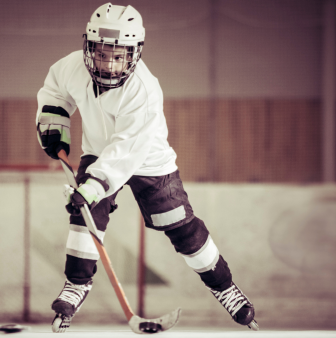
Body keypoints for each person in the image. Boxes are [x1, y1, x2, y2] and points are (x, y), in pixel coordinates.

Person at [35, 3, 258, 333]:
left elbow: (126, 152)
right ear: (89, 46)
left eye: (118, 55)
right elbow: (55, 90)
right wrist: (54, 124)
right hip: (98, 155)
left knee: (182, 227)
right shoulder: (71, 67)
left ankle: (224, 287)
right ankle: (77, 284)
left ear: (134, 53)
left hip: (148, 162)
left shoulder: (144, 90)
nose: (108, 63)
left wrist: (92, 187)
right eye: (101, 52)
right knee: (84, 217)